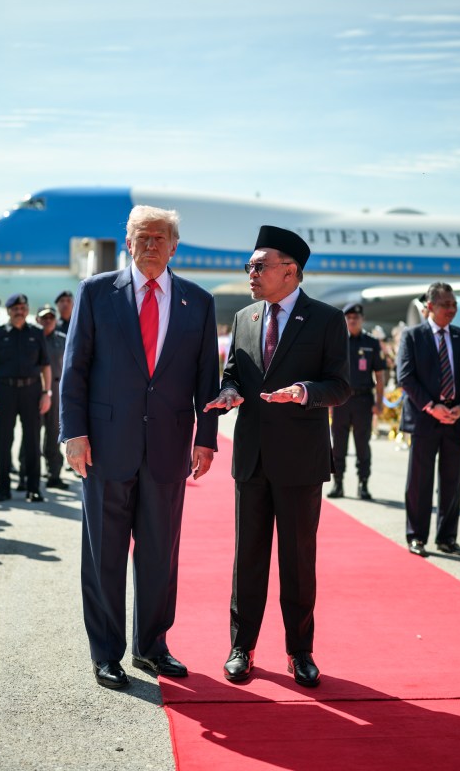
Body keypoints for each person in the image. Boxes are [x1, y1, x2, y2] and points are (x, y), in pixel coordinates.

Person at [61, 205, 219, 689]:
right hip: (106, 448)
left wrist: (206, 440)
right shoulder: (95, 293)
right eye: (142, 238)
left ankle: (152, 647)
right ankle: (106, 653)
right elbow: (76, 370)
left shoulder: (198, 301)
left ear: (175, 246)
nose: (151, 245)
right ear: (128, 243)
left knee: (158, 555)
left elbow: (205, 379)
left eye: (160, 238)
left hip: (168, 449)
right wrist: (74, 434)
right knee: (104, 555)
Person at [205, 225, 350, 688]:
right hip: (251, 459)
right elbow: (233, 373)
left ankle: (300, 651)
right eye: (249, 265)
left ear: (290, 272)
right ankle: (241, 647)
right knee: (247, 559)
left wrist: (305, 392)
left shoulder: (326, 319)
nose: (250, 272)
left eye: (258, 265)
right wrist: (228, 392)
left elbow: (341, 385)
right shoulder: (246, 318)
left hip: (300, 462)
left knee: (297, 561)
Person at [397, 283, 460, 558]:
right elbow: (405, 377)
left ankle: (447, 538)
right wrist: (432, 407)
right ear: (430, 306)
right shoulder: (412, 336)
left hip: (455, 418)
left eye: (454, 304)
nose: (452, 310)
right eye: (446, 305)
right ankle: (416, 536)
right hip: (425, 418)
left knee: (451, 481)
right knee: (419, 481)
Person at [0, 294, 51, 503]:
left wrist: (46, 393)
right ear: (8, 310)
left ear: (27, 309)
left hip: (32, 391)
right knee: (4, 441)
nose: (19, 311)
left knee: (32, 440)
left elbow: (45, 366)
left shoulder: (37, 333)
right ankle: (3, 488)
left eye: (23, 307)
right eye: (15, 308)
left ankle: (33, 488)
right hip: (5, 391)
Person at [327, 302, 385, 500]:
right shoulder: (337, 341)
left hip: (363, 400)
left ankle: (363, 484)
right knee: (338, 445)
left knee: (363, 445)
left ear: (362, 320)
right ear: (345, 320)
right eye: (349, 317)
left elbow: (379, 373)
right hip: (340, 401)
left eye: (356, 318)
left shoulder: (371, 343)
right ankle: (338, 484)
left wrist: (379, 402)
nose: (352, 321)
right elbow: (329, 372)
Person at [36, 304, 68, 489]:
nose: (47, 321)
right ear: (37, 319)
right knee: (32, 433)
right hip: (36, 390)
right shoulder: (33, 338)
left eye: (51, 318)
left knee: (54, 433)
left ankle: (54, 474)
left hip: (57, 389)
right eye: (44, 317)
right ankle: (27, 473)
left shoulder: (62, 339)